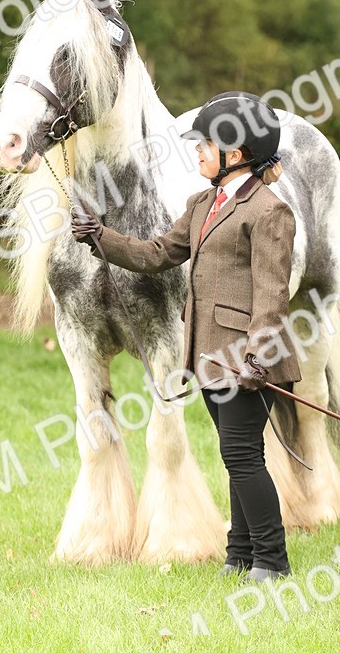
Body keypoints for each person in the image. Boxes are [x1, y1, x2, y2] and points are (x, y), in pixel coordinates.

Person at [70, 91, 300, 580]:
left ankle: (272, 562)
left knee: (244, 458)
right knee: (234, 455)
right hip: (211, 357)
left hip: (247, 361)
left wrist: (258, 356)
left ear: (234, 156)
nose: (195, 151)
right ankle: (239, 555)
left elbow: (272, 294)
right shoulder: (202, 204)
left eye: (205, 145)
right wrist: (100, 237)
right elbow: (156, 254)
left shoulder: (269, 212)